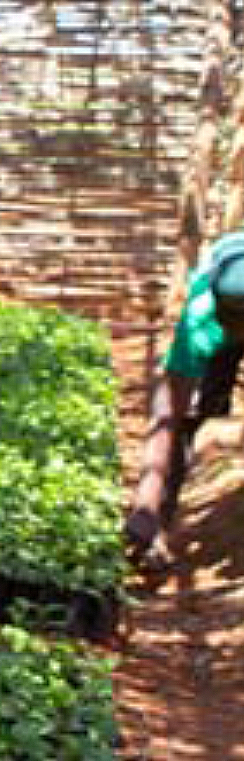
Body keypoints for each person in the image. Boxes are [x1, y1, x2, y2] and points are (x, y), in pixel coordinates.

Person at [124, 231, 244, 570]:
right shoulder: (202, 319)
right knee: (192, 417)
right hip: (214, 313)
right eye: (232, 320)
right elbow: (168, 417)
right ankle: (157, 526)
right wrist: (145, 504)